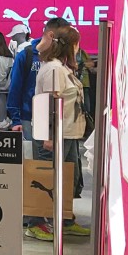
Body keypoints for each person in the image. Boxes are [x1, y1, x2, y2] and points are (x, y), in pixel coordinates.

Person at [7, 16, 75, 230]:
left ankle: (59, 217)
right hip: (31, 119)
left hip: (59, 122)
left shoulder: (59, 58)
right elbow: (16, 86)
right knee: (38, 168)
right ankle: (35, 219)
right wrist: (15, 119)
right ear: (53, 34)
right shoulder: (27, 54)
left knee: (60, 169)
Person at [30, 26, 90, 240]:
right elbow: (47, 103)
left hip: (68, 133)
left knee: (68, 178)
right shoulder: (54, 69)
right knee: (46, 178)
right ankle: (35, 222)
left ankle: (64, 220)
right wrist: (48, 136)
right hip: (55, 135)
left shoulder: (62, 68)